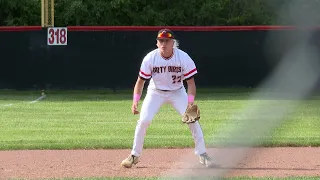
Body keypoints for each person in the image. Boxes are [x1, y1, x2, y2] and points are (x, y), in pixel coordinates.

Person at [121, 29, 216, 168]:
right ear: (157, 43)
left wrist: (190, 104)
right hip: (156, 92)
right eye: (161, 40)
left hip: (177, 92)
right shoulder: (150, 58)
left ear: (173, 43)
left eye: (167, 40)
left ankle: (202, 154)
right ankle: (134, 155)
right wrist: (135, 100)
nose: (163, 43)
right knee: (144, 120)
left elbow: (191, 83)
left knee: (192, 120)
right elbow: (140, 82)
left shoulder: (183, 57)